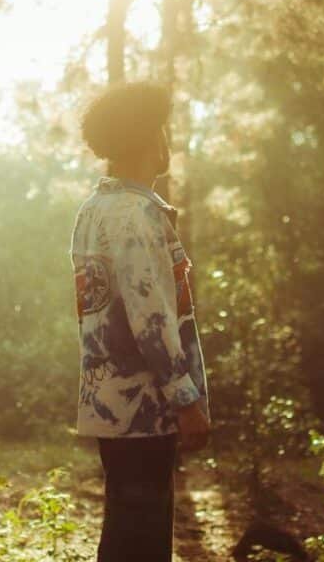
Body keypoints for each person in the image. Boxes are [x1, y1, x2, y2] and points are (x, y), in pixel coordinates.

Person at [70, 81, 211, 562]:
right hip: (145, 408)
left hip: (114, 406)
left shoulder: (97, 208)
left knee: (125, 536)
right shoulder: (134, 215)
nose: (167, 138)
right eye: (162, 128)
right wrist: (185, 398)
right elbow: (150, 318)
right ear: (148, 138)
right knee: (142, 545)